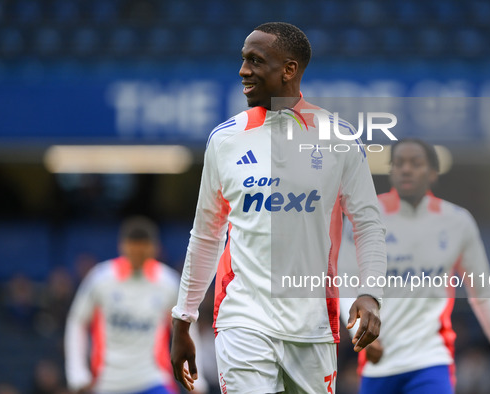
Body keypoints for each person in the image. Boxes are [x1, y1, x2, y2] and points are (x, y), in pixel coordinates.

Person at [170, 22, 387, 394]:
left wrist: (371, 293)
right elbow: (206, 234)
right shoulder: (224, 140)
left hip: (313, 326)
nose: (243, 70)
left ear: (289, 69)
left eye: (255, 61)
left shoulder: (339, 138)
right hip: (243, 321)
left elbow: (367, 225)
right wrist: (183, 319)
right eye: (243, 60)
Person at [339, 138, 490, 394]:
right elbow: (344, 281)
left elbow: (482, 294)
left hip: (431, 361)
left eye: (416, 163)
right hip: (378, 362)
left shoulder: (457, 222)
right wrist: (360, 333)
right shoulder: (366, 216)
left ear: (433, 173)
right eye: (399, 163)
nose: (406, 169)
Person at [64, 216, 207, 394]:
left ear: (154, 248)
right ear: (122, 246)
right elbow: (77, 321)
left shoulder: (167, 282)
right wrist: (77, 373)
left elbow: (186, 329)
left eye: (143, 249)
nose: (138, 255)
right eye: (133, 248)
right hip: (108, 383)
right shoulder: (100, 279)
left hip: (153, 380)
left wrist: (196, 378)